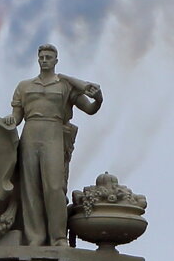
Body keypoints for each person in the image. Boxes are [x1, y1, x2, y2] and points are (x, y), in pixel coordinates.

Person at [7, 44, 103, 246]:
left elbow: (90, 108)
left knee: (54, 186)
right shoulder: (24, 86)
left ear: (55, 60)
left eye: (48, 57)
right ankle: (35, 236)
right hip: (30, 132)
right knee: (30, 187)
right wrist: (5, 121)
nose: (44, 60)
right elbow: (16, 117)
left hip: (54, 133)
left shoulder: (66, 86)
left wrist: (99, 99)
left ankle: (58, 237)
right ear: (37, 59)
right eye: (41, 56)